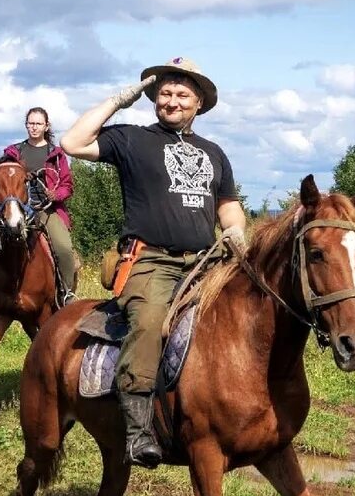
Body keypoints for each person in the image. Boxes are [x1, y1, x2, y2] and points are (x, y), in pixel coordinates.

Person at [60, 57, 246, 468]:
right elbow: (72, 142)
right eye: (164, 93)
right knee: (147, 323)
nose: (172, 101)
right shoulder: (132, 140)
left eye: (182, 94)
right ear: (152, 99)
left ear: (198, 103)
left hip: (205, 262)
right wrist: (119, 99)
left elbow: (228, 206)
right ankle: (138, 428)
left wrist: (235, 231)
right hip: (151, 262)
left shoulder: (214, 153)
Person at [0, 106, 78, 311]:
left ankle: (67, 293)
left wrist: (55, 194)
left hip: (46, 209)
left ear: (46, 126)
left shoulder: (56, 155)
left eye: (38, 123)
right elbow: (1, 177)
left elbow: (67, 186)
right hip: (13, 209)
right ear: (26, 125)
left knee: (64, 248)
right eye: (30, 123)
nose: (34, 127)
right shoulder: (14, 152)